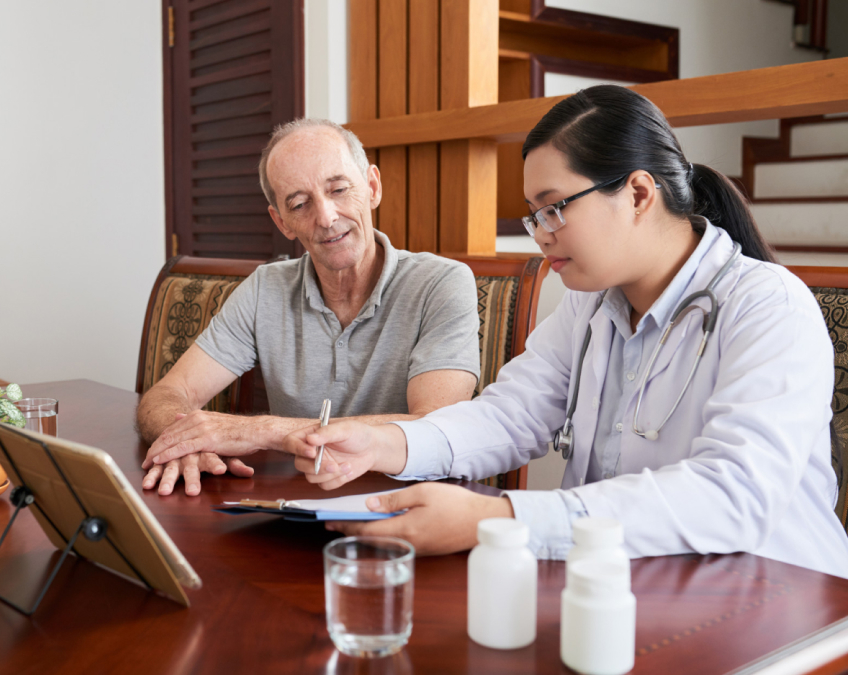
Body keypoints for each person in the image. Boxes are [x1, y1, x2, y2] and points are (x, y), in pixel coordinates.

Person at [283, 85, 848, 578]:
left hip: (770, 594)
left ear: (639, 194)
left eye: (553, 209)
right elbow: (509, 415)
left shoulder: (768, 307)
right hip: (628, 584)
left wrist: (499, 517)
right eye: (532, 215)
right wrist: (381, 443)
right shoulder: (592, 306)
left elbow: (733, 495)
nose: (540, 236)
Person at [137, 118, 481, 496]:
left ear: (372, 187)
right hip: (296, 504)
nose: (326, 217)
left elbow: (434, 424)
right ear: (282, 221)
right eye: (300, 204)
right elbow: (165, 395)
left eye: (338, 189)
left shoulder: (442, 283)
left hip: (407, 503)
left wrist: (260, 430)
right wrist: (185, 444)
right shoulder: (264, 288)